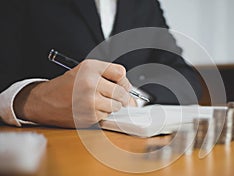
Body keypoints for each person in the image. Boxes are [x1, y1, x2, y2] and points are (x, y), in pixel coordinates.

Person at [0, 0, 202, 128]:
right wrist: (33, 102)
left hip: (131, 149)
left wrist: (135, 97)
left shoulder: (146, 4)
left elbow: (184, 77)